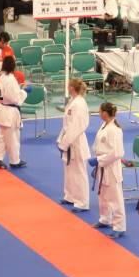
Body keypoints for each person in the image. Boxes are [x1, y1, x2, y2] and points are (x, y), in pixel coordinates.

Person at [89, 102, 125, 239]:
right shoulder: (104, 125)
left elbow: (117, 152)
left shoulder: (115, 130)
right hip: (102, 165)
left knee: (115, 199)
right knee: (103, 195)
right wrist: (96, 157)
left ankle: (119, 227)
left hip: (111, 168)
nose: (99, 113)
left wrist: (99, 159)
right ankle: (105, 219)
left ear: (104, 113)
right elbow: (99, 144)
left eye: (99, 111)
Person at [0, 55, 30, 169]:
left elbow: (1, 95)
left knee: (2, 136)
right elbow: (15, 99)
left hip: (2, 109)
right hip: (10, 112)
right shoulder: (11, 79)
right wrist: (24, 91)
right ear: (13, 66)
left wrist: (19, 89)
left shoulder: (2, 77)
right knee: (13, 138)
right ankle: (14, 161)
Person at [57, 78, 91, 213]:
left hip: (76, 140)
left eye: (69, 85)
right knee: (69, 170)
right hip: (69, 139)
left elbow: (77, 127)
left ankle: (82, 202)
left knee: (79, 172)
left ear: (72, 87)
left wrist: (64, 143)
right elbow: (67, 124)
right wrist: (61, 139)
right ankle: (70, 196)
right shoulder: (73, 101)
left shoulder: (79, 104)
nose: (67, 87)